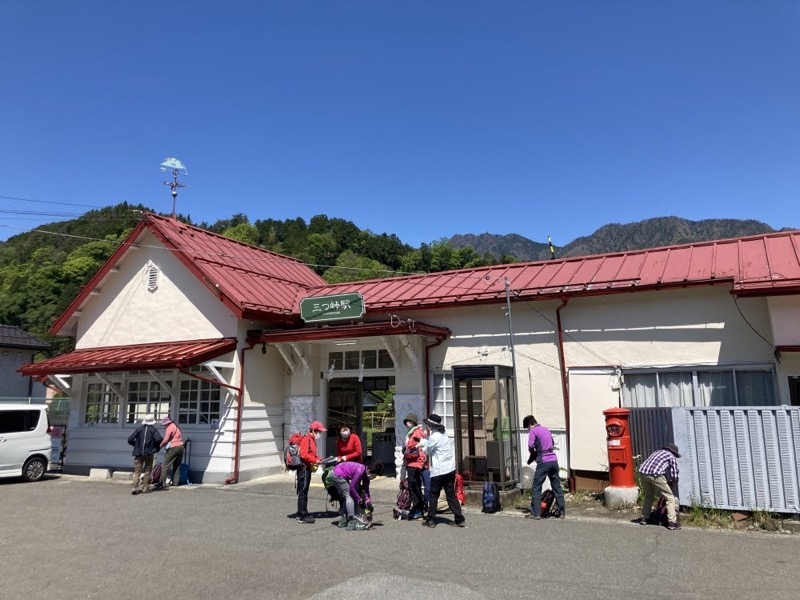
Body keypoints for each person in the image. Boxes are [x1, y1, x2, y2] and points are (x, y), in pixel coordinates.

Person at [417, 414, 465, 528]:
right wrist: (423, 441)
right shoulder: (444, 434)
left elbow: (428, 450)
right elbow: (429, 441)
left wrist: (420, 445)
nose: (428, 427)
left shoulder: (434, 437)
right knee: (451, 495)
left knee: (434, 495)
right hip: (450, 470)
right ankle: (459, 519)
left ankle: (431, 520)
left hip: (439, 471)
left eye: (428, 425)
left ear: (431, 426)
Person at [522, 414, 565, 520]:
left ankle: (535, 513)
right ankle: (561, 512)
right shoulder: (546, 429)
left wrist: (533, 452)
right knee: (556, 486)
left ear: (529, 424)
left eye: (527, 428)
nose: (528, 430)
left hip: (543, 461)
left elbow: (531, 446)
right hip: (553, 460)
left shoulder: (533, 431)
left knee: (536, 487)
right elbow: (552, 443)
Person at [328, 460, 383, 530]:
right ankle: (351, 521)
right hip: (336, 474)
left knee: (349, 495)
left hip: (341, 474)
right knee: (349, 496)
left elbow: (366, 489)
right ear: (369, 471)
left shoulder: (366, 473)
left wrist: (368, 502)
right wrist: (360, 501)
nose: (374, 477)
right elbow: (352, 488)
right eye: (374, 475)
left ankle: (345, 519)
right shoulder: (360, 471)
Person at [637, 443, 681, 530]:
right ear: (674, 453)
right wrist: (674, 482)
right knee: (670, 498)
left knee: (649, 496)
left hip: (643, 473)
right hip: (655, 475)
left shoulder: (656, 452)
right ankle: (672, 522)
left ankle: (644, 518)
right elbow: (674, 473)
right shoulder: (671, 456)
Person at [296, 420, 326, 524]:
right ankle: (302, 515)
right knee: (303, 492)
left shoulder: (312, 440)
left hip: (307, 468)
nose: (320, 434)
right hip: (303, 469)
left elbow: (311, 454)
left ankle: (301, 512)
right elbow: (304, 455)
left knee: (304, 491)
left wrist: (319, 459)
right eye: (319, 432)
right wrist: (315, 460)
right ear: (313, 430)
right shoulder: (306, 439)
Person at [127, 414, 163, 495]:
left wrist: (135, 445)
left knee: (137, 471)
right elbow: (159, 439)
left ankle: (135, 487)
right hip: (149, 453)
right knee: (148, 470)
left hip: (138, 453)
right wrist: (155, 448)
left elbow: (130, 439)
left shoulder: (139, 429)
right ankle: (145, 487)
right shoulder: (153, 430)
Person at [402, 412, 427, 520]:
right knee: (413, 486)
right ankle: (417, 508)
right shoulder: (411, 432)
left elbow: (421, 448)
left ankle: (418, 509)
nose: (408, 423)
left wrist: (421, 462)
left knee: (414, 487)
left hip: (415, 463)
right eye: (407, 421)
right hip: (410, 462)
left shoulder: (417, 432)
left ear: (414, 422)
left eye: (410, 421)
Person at [157, 416, 184, 489]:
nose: (164, 426)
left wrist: (160, 446)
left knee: (165, 465)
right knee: (177, 465)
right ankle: (176, 482)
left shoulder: (169, 427)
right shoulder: (176, 426)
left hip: (174, 447)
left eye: (164, 425)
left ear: (167, 423)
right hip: (181, 447)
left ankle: (162, 482)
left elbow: (166, 439)